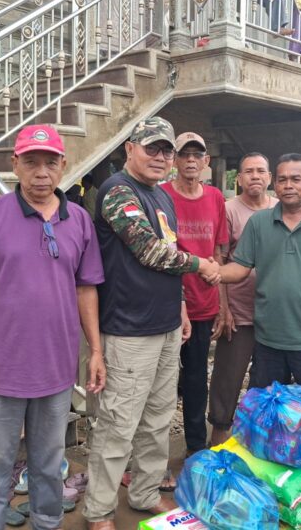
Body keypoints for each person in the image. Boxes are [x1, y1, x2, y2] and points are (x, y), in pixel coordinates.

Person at [0, 124, 106, 530]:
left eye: (50, 163)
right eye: (31, 162)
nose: (41, 172)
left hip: (56, 367)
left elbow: (86, 289)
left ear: (63, 166)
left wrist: (96, 352)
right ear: (14, 163)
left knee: (49, 464)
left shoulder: (80, 221)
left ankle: (47, 522)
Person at [83, 117, 220, 530]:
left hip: (164, 326)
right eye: (152, 148)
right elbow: (147, 249)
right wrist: (203, 265)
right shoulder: (117, 191)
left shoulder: (161, 196)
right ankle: (99, 510)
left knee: (159, 417)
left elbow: (169, 252)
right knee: (117, 425)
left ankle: (143, 493)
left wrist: (179, 305)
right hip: (128, 329)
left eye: (167, 151)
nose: (160, 157)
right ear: (130, 149)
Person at [218, 153, 301, 388]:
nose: (288, 185)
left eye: (295, 179)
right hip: (269, 340)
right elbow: (240, 268)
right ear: (274, 184)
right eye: (282, 180)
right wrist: (212, 271)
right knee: (266, 414)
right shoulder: (259, 223)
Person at [161, 131, 228, 457]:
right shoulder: (160, 195)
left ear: (206, 161)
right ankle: (152, 456)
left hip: (204, 304)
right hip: (167, 304)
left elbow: (218, 251)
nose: (190, 161)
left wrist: (223, 304)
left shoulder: (215, 197)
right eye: (183, 154)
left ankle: (195, 447)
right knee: (160, 384)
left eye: (196, 155)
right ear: (173, 160)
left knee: (197, 378)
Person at [208, 151, 277, 447]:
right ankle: (217, 442)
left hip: (273, 312)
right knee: (228, 378)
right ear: (239, 179)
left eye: (261, 171)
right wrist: (223, 309)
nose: (255, 176)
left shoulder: (280, 207)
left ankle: (256, 441)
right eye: (249, 171)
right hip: (238, 311)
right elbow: (219, 258)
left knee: (266, 381)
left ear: (270, 177)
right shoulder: (229, 209)